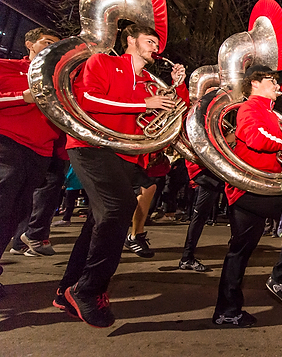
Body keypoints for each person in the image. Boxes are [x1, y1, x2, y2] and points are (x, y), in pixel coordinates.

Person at [53, 24, 188, 328]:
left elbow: (171, 117)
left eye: (157, 43)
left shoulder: (148, 82)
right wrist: (144, 103)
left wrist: (177, 88)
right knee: (119, 208)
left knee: (99, 221)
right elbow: (89, 100)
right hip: (92, 146)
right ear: (131, 40)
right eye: (150, 41)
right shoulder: (103, 61)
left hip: (127, 155)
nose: (156, 47)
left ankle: (66, 290)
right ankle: (88, 289)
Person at [213, 65, 282, 328]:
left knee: (240, 251)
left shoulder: (270, 113)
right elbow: (257, 138)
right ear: (254, 84)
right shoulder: (250, 108)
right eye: (271, 80)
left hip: (257, 188)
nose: (277, 84)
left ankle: (226, 311)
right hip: (252, 188)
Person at [0, 28, 62, 262]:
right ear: (29, 44)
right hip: (7, 145)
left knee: (17, 215)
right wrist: (22, 96)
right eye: (46, 42)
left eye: (56, 45)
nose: (51, 48)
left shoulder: (59, 78)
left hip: (41, 152)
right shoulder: (6, 66)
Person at [178, 160, 225, 272]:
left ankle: (187, 256)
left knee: (200, 217)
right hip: (207, 172)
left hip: (209, 172)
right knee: (199, 217)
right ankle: (187, 257)